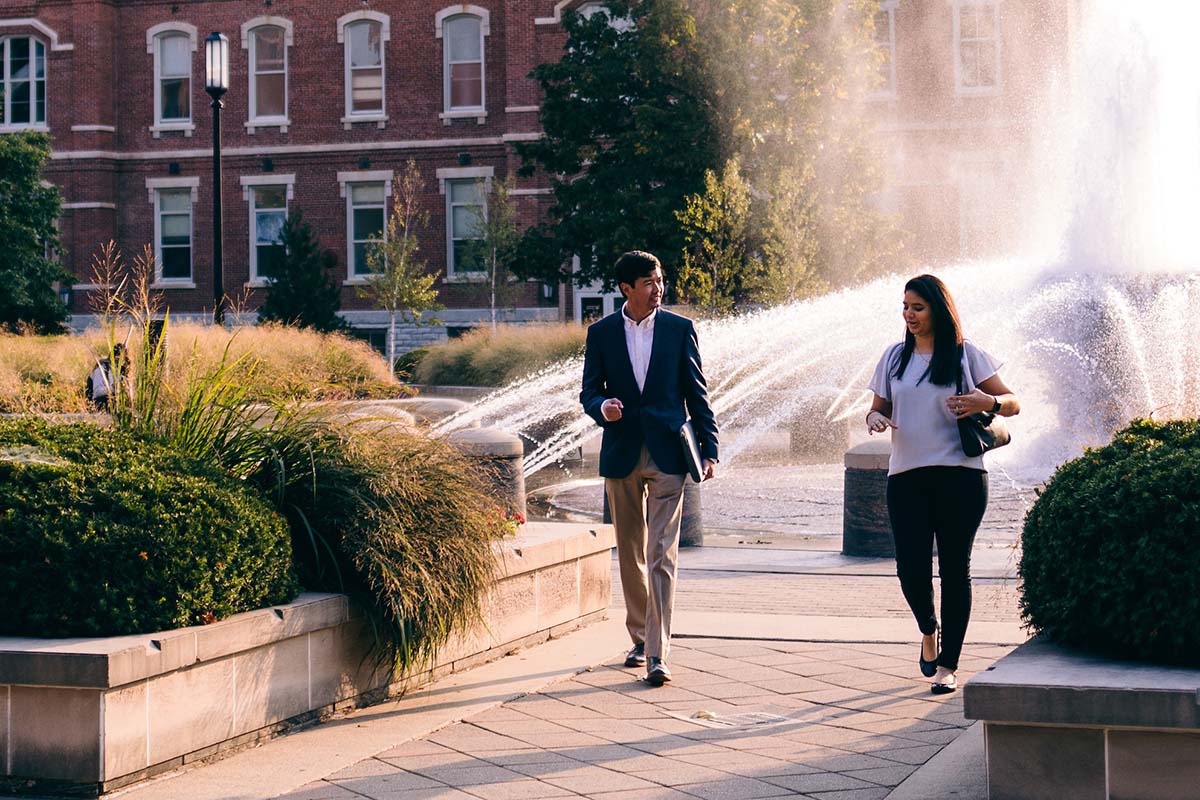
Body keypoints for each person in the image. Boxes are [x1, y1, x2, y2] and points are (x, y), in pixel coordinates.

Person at [866, 274, 1019, 695]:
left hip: (961, 476)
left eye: (918, 307)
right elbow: (877, 408)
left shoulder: (966, 355)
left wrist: (983, 402)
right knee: (910, 570)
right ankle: (928, 628)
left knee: (955, 570)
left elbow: (1012, 402)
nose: (909, 315)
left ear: (938, 308)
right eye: (905, 307)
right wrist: (875, 419)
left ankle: (949, 664)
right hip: (906, 476)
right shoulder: (894, 358)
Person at [580, 250, 719, 686]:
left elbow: (697, 392)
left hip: (668, 454)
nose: (659, 289)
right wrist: (604, 406)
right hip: (621, 453)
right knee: (631, 552)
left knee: (662, 553)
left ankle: (658, 653)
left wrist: (709, 448)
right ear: (627, 288)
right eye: (649, 283)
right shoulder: (600, 333)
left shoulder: (680, 329)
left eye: (660, 281)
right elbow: (588, 393)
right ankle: (639, 637)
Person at [86, 344, 126, 412]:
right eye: (116, 359)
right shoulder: (102, 368)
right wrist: (113, 388)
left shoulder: (122, 370)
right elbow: (97, 392)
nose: (118, 362)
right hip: (100, 404)